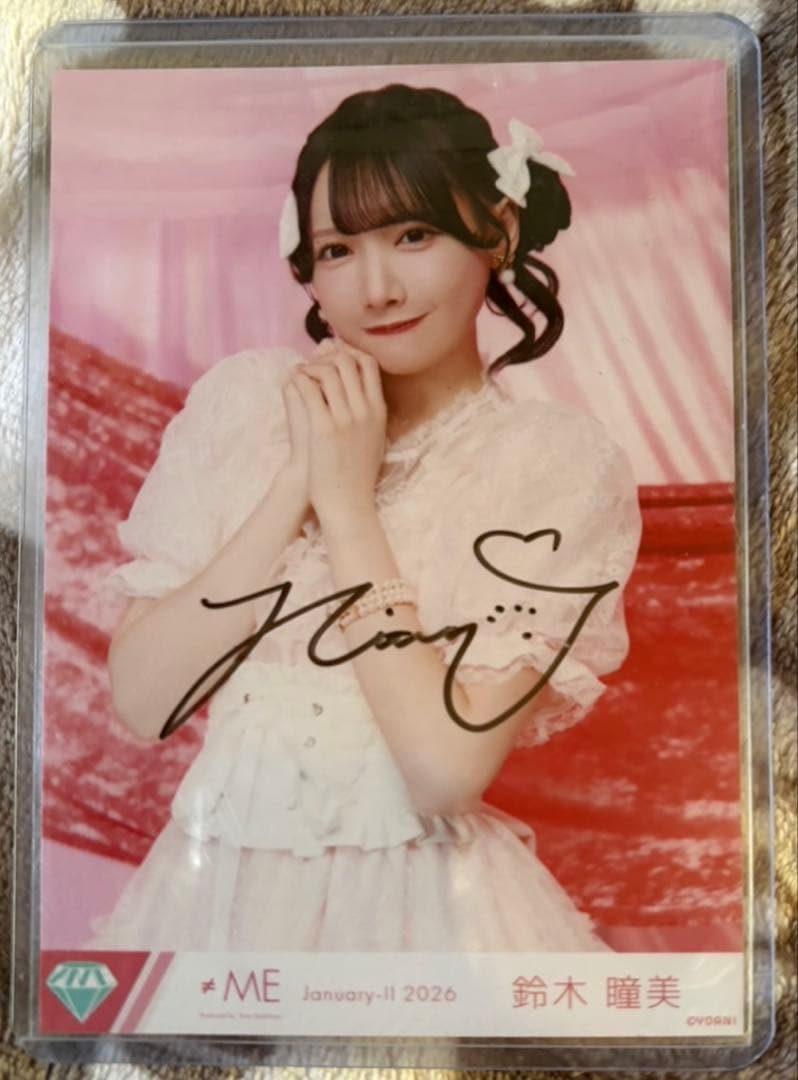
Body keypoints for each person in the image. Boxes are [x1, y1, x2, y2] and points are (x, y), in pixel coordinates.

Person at [93, 84, 641, 952]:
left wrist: (348, 508)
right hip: (207, 910)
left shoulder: (552, 466)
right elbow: (144, 702)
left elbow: (443, 772)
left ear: (498, 231)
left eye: (413, 236)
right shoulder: (244, 405)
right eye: (338, 249)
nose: (376, 289)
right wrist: (298, 481)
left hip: (425, 921)